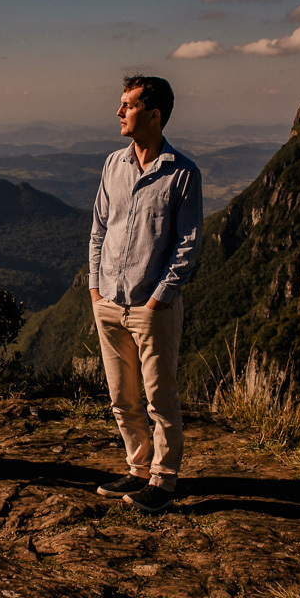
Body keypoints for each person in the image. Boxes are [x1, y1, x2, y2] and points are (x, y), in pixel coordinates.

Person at [89, 75, 202, 513]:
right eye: (121, 104)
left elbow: (187, 244)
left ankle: (164, 479)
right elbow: (100, 228)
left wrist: (159, 299)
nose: (119, 112)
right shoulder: (113, 165)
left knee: (160, 397)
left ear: (153, 115)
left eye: (128, 106)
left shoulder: (182, 172)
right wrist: (96, 289)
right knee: (122, 396)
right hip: (110, 302)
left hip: (151, 306)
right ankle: (137, 468)